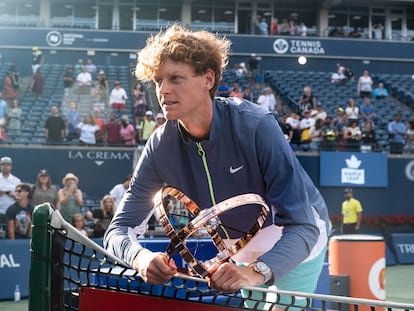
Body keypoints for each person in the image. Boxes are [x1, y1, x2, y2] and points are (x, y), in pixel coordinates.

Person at [104, 25, 330, 305]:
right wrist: (140, 257)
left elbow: (303, 226)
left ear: (207, 80)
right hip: (239, 249)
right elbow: (118, 230)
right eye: (158, 79)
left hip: (297, 240)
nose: (162, 89)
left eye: (175, 78)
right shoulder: (159, 145)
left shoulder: (257, 126)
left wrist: (255, 272)